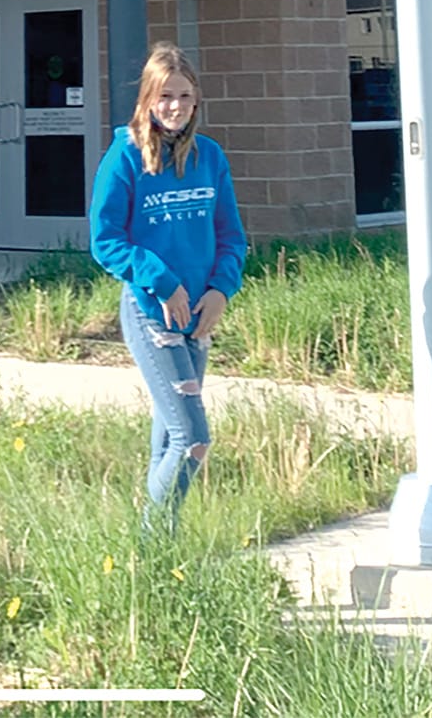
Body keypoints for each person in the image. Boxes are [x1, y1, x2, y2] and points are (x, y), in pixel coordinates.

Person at [89, 42, 247, 528]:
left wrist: (221, 289)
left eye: (183, 95)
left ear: (196, 100)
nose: (174, 106)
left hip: (198, 316)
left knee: (167, 439)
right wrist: (161, 281)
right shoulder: (126, 157)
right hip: (151, 313)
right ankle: (152, 548)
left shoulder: (210, 157)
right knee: (193, 439)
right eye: (164, 96)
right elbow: (105, 239)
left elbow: (231, 235)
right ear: (147, 101)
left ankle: (155, 559)